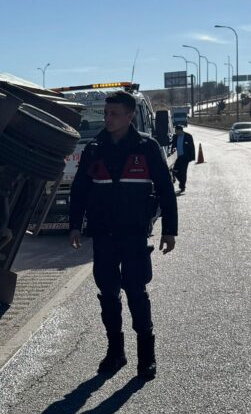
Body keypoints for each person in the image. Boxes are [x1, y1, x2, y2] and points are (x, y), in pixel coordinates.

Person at [68, 91, 177, 380]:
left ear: (129, 116)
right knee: (108, 295)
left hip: (134, 235)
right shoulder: (94, 149)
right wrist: (74, 225)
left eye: (114, 114)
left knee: (137, 293)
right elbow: (79, 190)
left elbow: (166, 189)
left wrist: (170, 230)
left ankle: (147, 358)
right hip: (103, 235)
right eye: (106, 114)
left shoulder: (147, 147)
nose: (107, 118)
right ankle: (115, 352)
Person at [171, 123, 196, 193]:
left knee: (183, 172)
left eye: (176, 131)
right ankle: (182, 182)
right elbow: (173, 145)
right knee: (174, 171)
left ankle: (182, 187)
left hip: (185, 157)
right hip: (177, 157)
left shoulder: (188, 136)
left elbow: (192, 147)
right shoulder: (175, 136)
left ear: (180, 130)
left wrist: (191, 157)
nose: (175, 132)